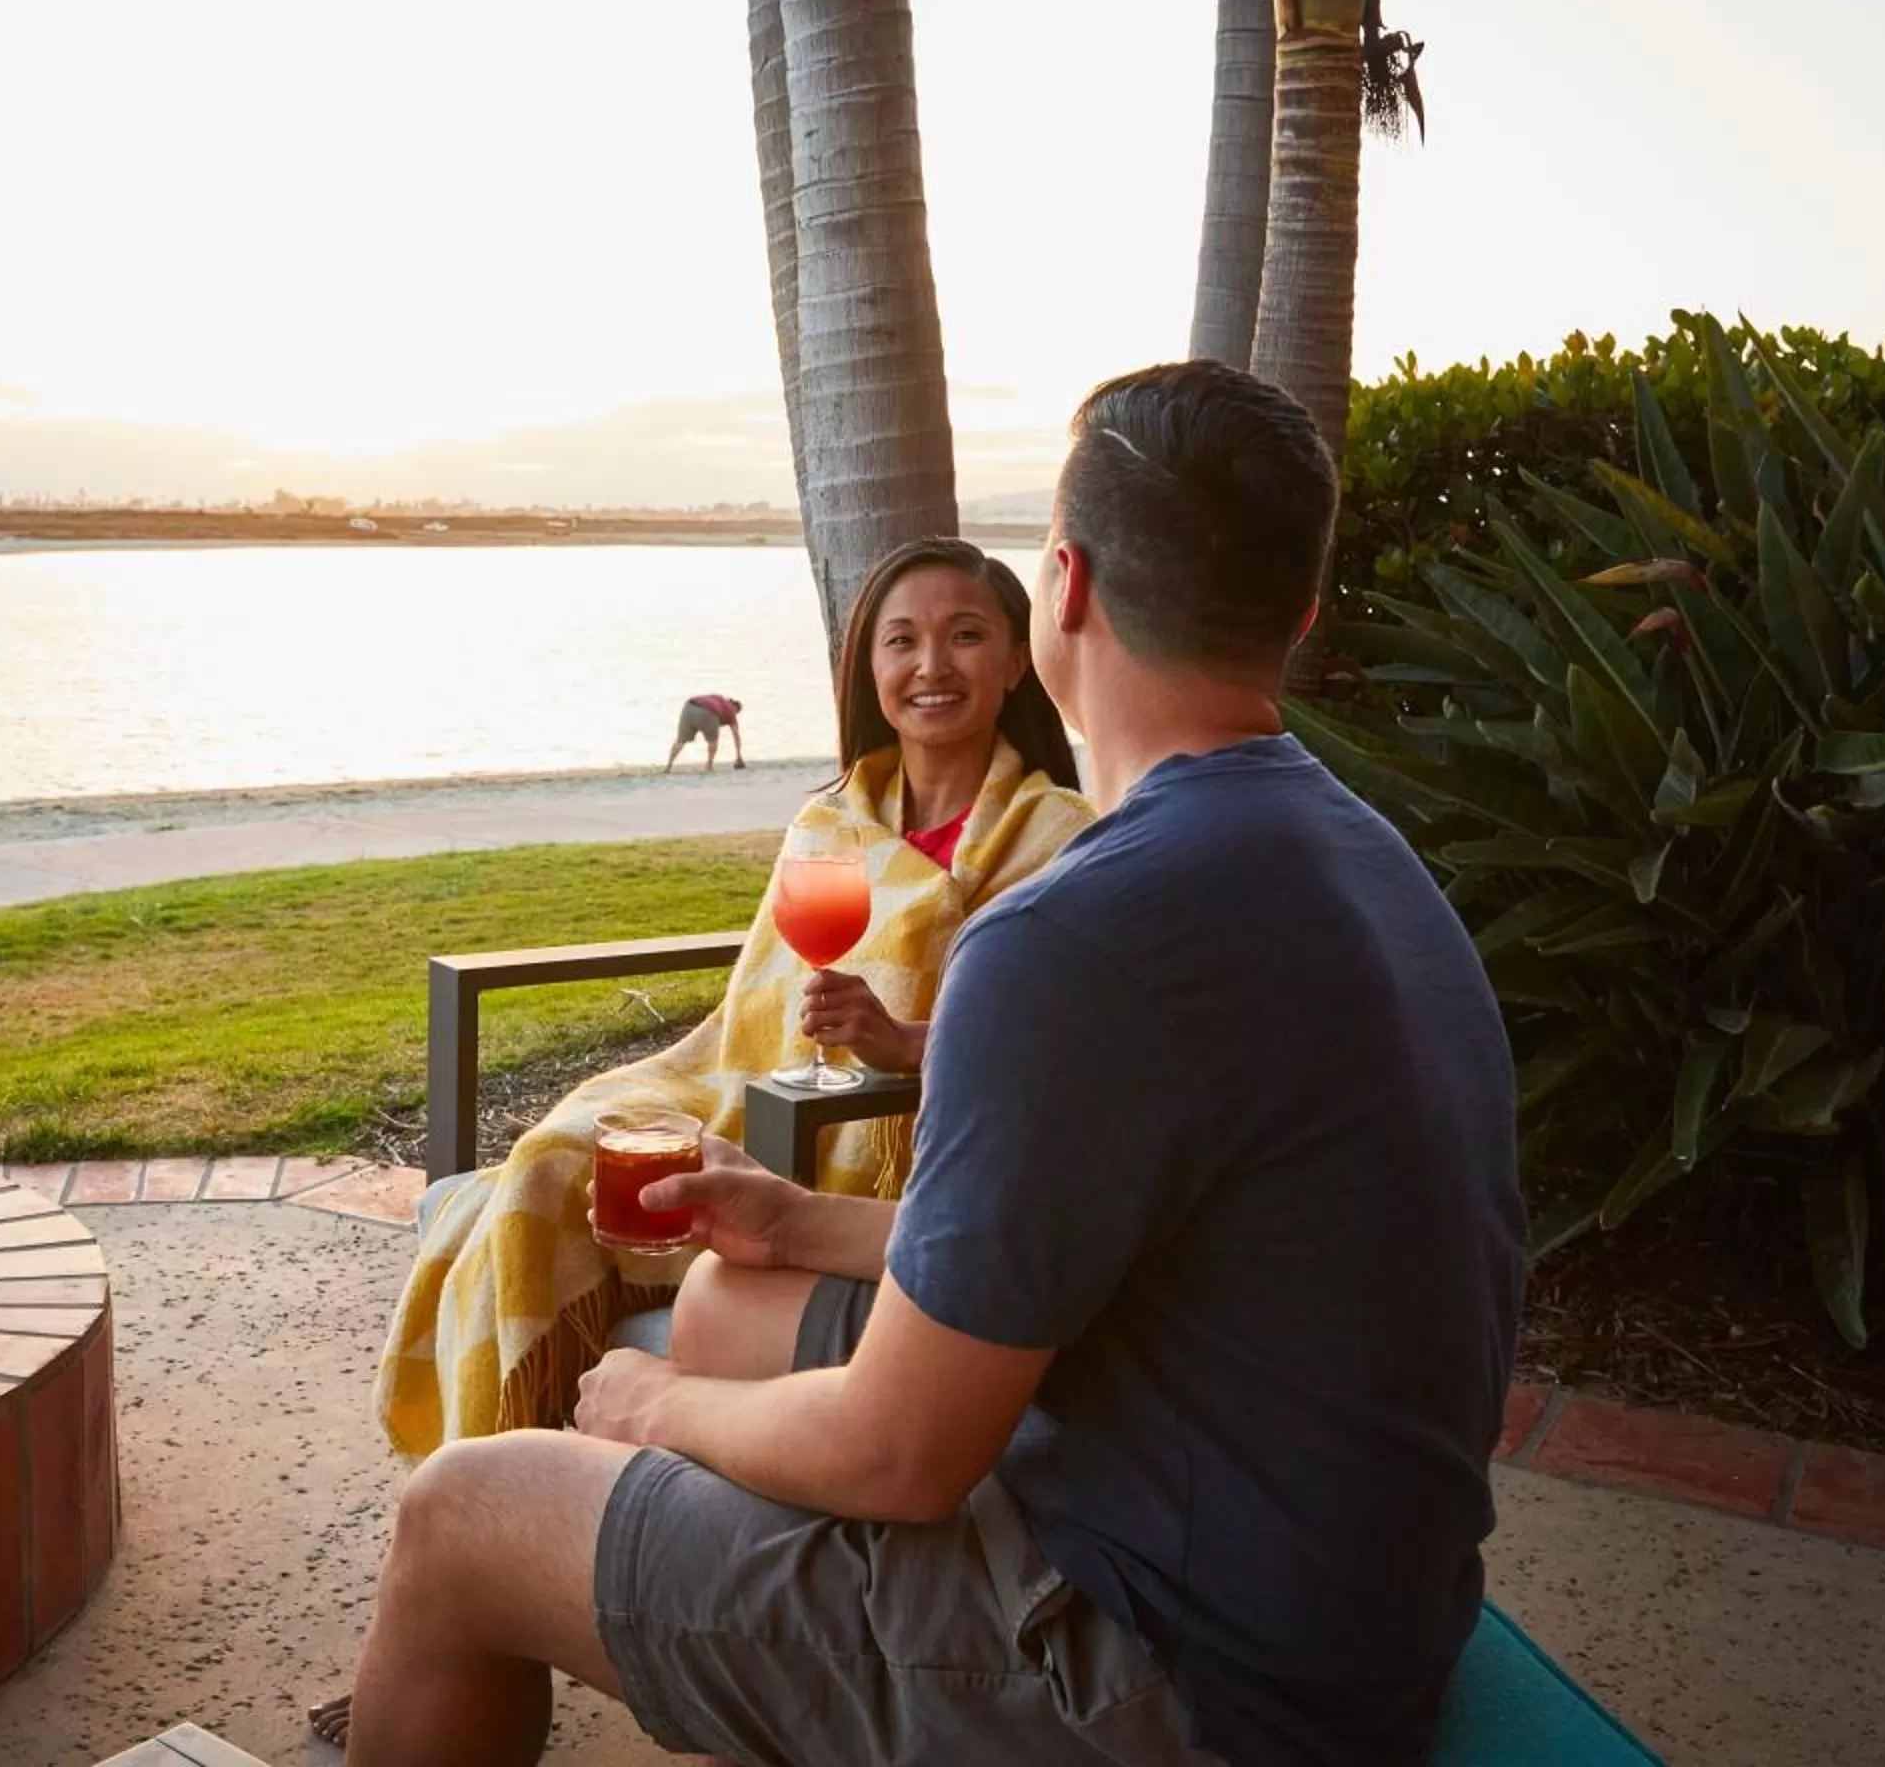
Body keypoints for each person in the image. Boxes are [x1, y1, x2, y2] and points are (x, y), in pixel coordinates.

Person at [334, 363, 1527, 1767]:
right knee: (730, 1295)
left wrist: (651, 1409)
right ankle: (766, 1635)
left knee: (467, 1513)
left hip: (1175, 1675)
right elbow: (1135, 1242)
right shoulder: (1367, 863)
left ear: (1063, 594)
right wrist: (800, 1219)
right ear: (1299, 614)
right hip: (1336, 1590)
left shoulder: (1076, 928)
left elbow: (903, 1458)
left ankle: (781, 1635)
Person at [373, 539, 1088, 1462]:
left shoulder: (1059, 837)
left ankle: (521, 1485)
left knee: (578, 1169)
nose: (930, 666)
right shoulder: (831, 818)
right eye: (900, 640)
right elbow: (759, 996)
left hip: (886, 1142)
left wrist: (905, 1037)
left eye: (965, 636)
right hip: (746, 1084)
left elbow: (1044, 1040)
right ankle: (498, 1465)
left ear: (1017, 659)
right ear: (868, 665)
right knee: (552, 1160)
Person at [664, 691, 745, 770]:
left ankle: (668, 765)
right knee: (713, 741)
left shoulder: (718, 698)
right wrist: (738, 755)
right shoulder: (730, 711)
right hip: (708, 711)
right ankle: (709, 765)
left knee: (680, 740)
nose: (735, 714)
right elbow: (736, 736)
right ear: (735, 707)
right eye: (737, 712)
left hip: (689, 706)